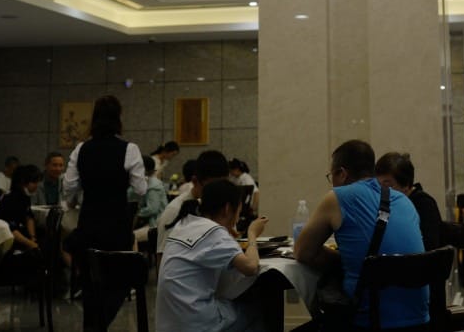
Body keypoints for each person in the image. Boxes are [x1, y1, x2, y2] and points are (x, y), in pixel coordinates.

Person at [294, 140, 428, 329]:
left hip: (368, 321)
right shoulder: (404, 201)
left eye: (331, 176)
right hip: (420, 321)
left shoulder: (338, 197)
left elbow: (302, 252)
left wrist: (341, 258)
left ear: (342, 173)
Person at [62, 95, 148, 327]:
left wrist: (74, 200)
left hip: (88, 226)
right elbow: (141, 189)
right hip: (117, 228)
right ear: (119, 118)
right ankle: (99, 325)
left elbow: (69, 186)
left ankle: (93, 325)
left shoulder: (81, 149)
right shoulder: (129, 149)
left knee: (90, 286)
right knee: (119, 283)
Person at [156, 179, 267, 332]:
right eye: (238, 213)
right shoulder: (214, 232)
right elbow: (251, 267)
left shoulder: (184, 223)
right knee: (258, 309)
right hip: (196, 323)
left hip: (169, 323)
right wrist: (252, 234)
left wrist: (226, 233)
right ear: (227, 209)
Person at [158, 151, 230, 252]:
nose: (217, 195)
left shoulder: (222, 206)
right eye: (211, 189)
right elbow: (163, 257)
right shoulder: (175, 210)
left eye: (222, 188)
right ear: (195, 181)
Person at [375, 151, 444, 251]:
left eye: (387, 185)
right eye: (378, 185)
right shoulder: (385, 204)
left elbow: (430, 246)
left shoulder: (424, 203)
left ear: (406, 184)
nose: (381, 191)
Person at [0, 164, 42, 251]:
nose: (37, 185)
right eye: (34, 182)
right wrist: (30, 244)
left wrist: (33, 237)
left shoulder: (25, 197)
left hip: (22, 236)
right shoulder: (10, 200)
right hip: (8, 240)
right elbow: (11, 229)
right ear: (23, 182)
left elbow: (29, 217)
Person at [131, 155, 169, 244]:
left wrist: (136, 213)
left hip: (155, 226)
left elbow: (152, 209)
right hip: (151, 224)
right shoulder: (148, 182)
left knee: (129, 237)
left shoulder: (153, 185)